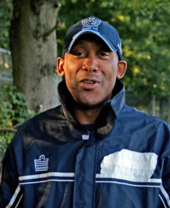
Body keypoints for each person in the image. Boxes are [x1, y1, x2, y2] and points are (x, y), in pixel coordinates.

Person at [0, 16, 170, 208]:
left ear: (120, 69)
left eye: (103, 54)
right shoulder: (29, 140)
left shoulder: (157, 139)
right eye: (79, 53)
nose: (90, 64)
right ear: (61, 66)